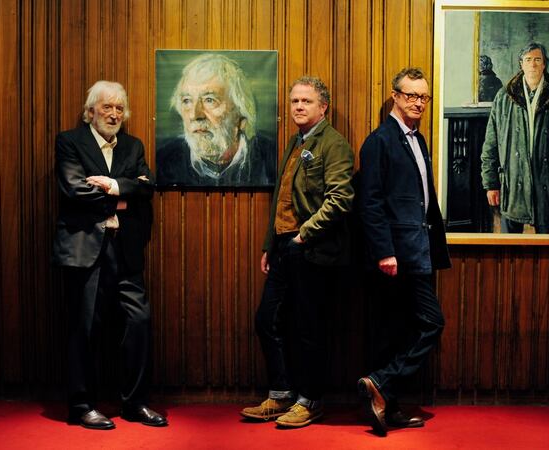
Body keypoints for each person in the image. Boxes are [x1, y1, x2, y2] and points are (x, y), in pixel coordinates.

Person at [240, 76, 354, 428]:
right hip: (284, 248)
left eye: (306, 101)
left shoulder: (334, 144)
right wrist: (269, 244)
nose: (299, 107)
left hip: (312, 250)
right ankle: (281, 394)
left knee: (309, 328)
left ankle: (310, 400)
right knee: (267, 320)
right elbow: (282, 197)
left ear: (324, 107)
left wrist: (304, 235)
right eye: (294, 101)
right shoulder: (295, 141)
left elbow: (341, 199)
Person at [53, 81, 166, 430]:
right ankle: (82, 406)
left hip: (124, 249)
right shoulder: (69, 141)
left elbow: (147, 187)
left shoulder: (133, 145)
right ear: (91, 112)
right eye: (107, 107)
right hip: (85, 249)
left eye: (119, 108)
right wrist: (125, 196)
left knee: (139, 322)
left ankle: (135, 403)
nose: (114, 114)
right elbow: (74, 190)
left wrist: (113, 185)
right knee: (85, 327)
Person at [356, 67, 451, 437]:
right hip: (395, 255)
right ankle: (382, 384)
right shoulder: (379, 141)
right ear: (395, 96)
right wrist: (384, 251)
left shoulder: (418, 139)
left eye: (423, 96)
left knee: (401, 330)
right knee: (426, 323)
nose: (418, 102)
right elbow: (370, 202)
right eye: (411, 95)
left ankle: (385, 399)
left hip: (417, 250)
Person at [480, 42, 549, 234]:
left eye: (537, 60)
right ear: (521, 64)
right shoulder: (504, 97)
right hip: (512, 183)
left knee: (546, 243)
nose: (533, 64)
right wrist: (491, 183)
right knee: (510, 244)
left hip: (547, 183)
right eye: (528, 60)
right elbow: (491, 144)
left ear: (544, 64)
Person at [156, 53, 276, 187]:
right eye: (187, 101)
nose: (195, 115)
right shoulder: (164, 161)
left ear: (240, 113)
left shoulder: (272, 158)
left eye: (209, 100)